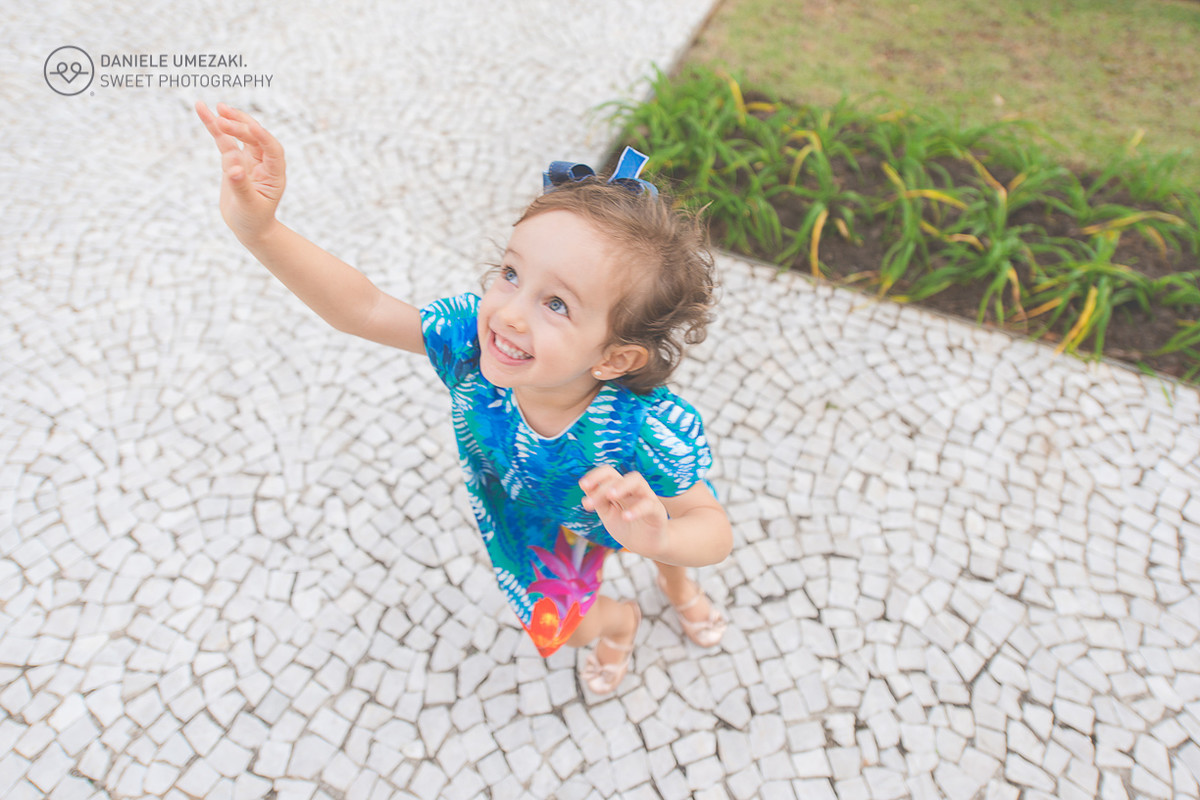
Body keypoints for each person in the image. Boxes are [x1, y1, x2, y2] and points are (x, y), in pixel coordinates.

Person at [195, 101, 732, 695]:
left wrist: (661, 539)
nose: (509, 313)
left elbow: (710, 527)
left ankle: (679, 589)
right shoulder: (471, 348)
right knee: (560, 626)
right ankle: (620, 625)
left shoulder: (642, 432)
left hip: (633, 512)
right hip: (530, 515)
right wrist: (260, 228)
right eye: (510, 273)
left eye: (556, 305)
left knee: (667, 545)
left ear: (613, 358)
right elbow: (365, 309)